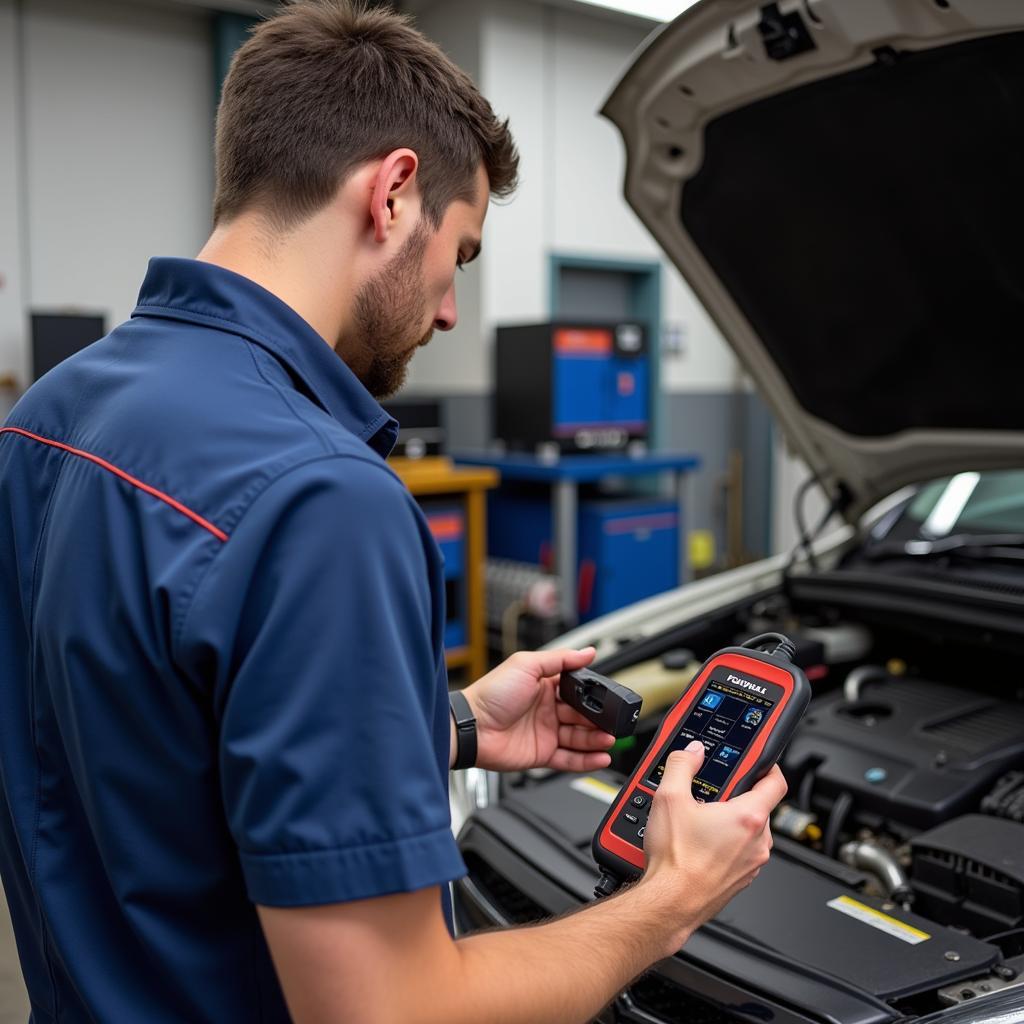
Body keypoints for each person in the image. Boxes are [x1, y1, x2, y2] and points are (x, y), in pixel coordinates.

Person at [0, 2, 786, 1021]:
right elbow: (392, 1008)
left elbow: (143, 753)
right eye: (458, 256)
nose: (452, 307)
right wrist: (671, 899)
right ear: (393, 192)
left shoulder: (48, 414)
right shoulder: (322, 497)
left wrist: (449, 726)